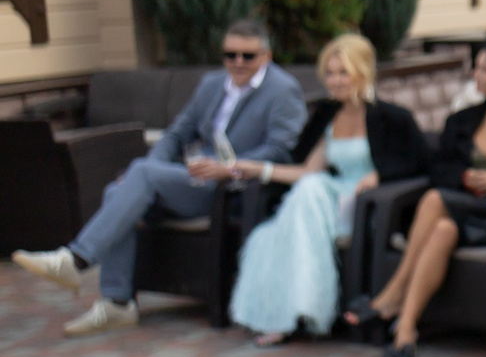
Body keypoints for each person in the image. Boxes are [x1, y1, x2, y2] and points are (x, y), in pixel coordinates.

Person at [15, 19, 307, 337]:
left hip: (234, 188)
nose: (237, 62)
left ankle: (77, 260)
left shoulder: (282, 91)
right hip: (194, 178)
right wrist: (151, 172)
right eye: (229, 54)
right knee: (120, 190)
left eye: (247, 56)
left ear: (266, 56)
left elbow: (280, 151)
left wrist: (232, 168)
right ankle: (117, 303)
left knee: (136, 176)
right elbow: (177, 134)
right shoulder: (213, 84)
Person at [230, 34, 427, 347]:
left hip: (367, 206)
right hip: (328, 200)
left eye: (343, 72)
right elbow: (308, 169)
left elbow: (420, 163)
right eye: (331, 73)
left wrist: (380, 175)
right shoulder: (326, 115)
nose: (335, 81)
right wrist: (259, 169)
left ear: (362, 73)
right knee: (272, 230)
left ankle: (294, 315)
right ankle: (290, 313)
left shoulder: (391, 117)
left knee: (306, 198)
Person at [356, 41, 486, 357]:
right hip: (461, 210)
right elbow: (438, 168)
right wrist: (465, 176)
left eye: (484, 68)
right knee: (441, 227)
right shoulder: (464, 119)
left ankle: (392, 295)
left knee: (435, 201)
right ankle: (406, 331)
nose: (476, 75)